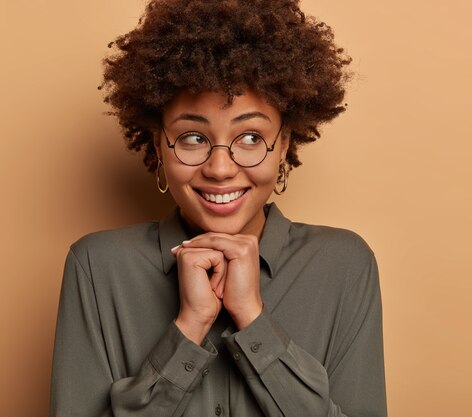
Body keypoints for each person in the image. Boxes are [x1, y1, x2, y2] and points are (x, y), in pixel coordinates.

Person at [50, 0, 386, 416]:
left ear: (282, 145)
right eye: (192, 137)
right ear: (159, 145)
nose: (221, 168)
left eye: (250, 138)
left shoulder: (344, 265)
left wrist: (252, 318)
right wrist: (189, 328)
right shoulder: (97, 268)